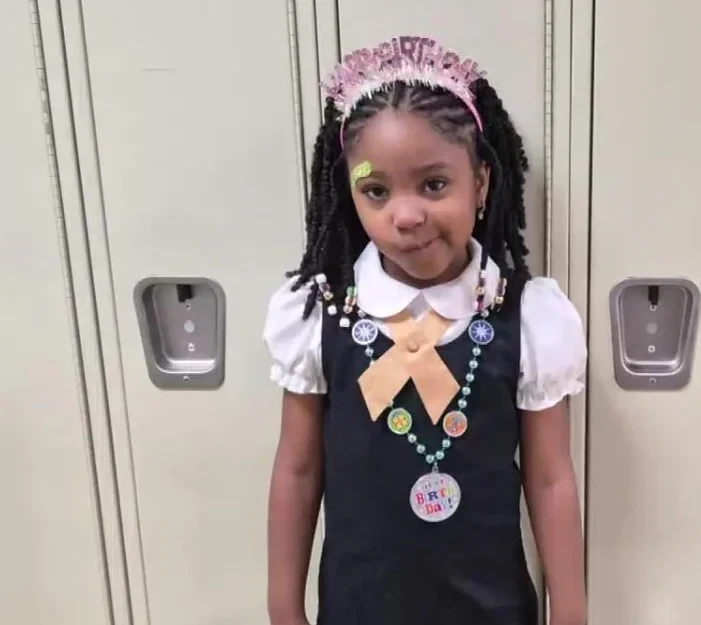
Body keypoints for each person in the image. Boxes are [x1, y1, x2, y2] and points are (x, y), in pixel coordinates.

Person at [262, 35, 587, 625]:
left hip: (490, 607)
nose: (407, 215)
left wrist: (570, 610)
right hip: (358, 607)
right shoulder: (320, 316)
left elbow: (550, 478)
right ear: (350, 195)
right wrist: (283, 607)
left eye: (434, 184)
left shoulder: (525, 316)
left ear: (480, 183)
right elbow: (297, 468)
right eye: (376, 191)